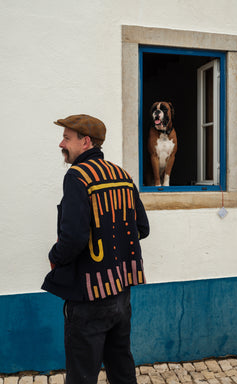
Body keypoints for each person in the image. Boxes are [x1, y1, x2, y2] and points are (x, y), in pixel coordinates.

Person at [42, 114, 150, 384]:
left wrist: (54, 258)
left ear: (85, 142)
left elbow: (74, 238)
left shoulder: (77, 177)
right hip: (121, 294)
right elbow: (142, 228)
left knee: (82, 374)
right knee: (121, 367)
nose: (61, 144)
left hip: (88, 296)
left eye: (67, 138)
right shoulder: (122, 174)